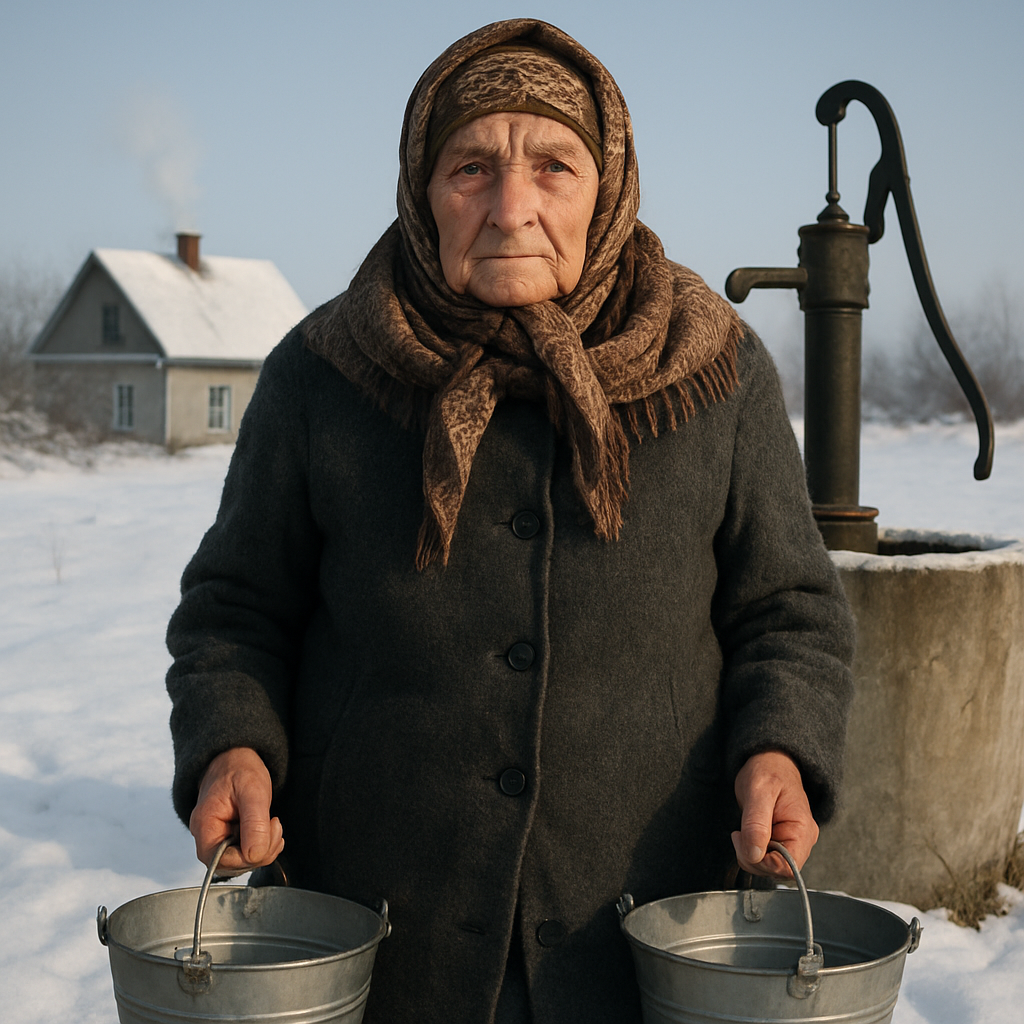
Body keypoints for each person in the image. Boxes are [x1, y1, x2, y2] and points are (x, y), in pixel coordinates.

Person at [166, 18, 854, 1024]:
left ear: (607, 185)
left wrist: (782, 748)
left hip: (643, 929)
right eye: (470, 168)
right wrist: (231, 742)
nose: (510, 207)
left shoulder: (715, 370)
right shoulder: (321, 373)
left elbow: (789, 610)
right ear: (420, 185)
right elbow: (235, 609)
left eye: (553, 167)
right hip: (382, 928)